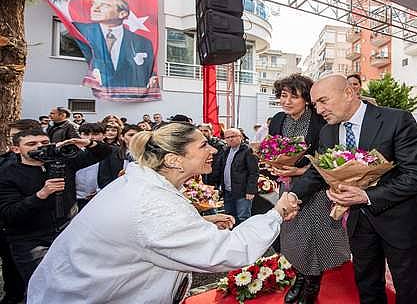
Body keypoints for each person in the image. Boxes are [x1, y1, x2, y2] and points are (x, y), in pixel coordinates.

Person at [26, 123, 299, 304]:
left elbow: (141, 233)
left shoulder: (144, 186)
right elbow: (227, 252)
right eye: (203, 145)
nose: (214, 150)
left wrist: (199, 222)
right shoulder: (152, 204)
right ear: (173, 160)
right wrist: (276, 212)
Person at [293, 74, 417, 304]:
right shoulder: (328, 132)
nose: (318, 110)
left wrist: (366, 196)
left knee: (409, 291)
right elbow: (316, 172)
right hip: (359, 224)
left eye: (323, 101)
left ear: (349, 93)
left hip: (402, 222)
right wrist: (293, 195)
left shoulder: (396, 120)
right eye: (315, 104)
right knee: (367, 287)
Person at [268, 73, 351, 304]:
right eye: (283, 96)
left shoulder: (320, 121)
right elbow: (271, 150)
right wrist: (275, 166)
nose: (286, 102)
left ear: (307, 98)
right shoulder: (277, 120)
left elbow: (328, 162)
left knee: (314, 237)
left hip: (315, 190)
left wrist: (297, 171)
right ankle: (300, 277)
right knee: (293, 236)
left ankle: (312, 283)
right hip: (287, 188)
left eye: (293, 97)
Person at [0, 128, 112, 284]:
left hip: (67, 233)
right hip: (30, 240)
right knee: (42, 285)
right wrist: (41, 195)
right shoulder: (7, 173)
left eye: (44, 142)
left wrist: (88, 142)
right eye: (31, 144)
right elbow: (9, 214)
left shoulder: (63, 161)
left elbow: (104, 152)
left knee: (72, 283)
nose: (39, 146)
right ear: (16, 149)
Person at [73, 0, 155, 88]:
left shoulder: (142, 42)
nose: (94, 9)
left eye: (104, 5)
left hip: (127, 93)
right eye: (94, 4)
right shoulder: (78, 30)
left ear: (122, 14)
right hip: (92, 88)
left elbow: (148, 70)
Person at [0, 120, 41, 304]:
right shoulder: (6, 168)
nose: (39, 147)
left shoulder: (53, 164)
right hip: (17, 234)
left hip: (46, 233)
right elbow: (10, 210)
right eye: (12, 137)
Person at [206, 128, 259, 225]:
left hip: (242, 192)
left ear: (241, 137)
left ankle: (244, 238)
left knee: (243, 217)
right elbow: (220, 169)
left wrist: (251, 191)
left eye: (233, 136)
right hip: (227, 191)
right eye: (228, 137)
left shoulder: (248, 151)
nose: (231, 139)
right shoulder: (226, 150)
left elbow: (254, 172)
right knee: (229, 217)